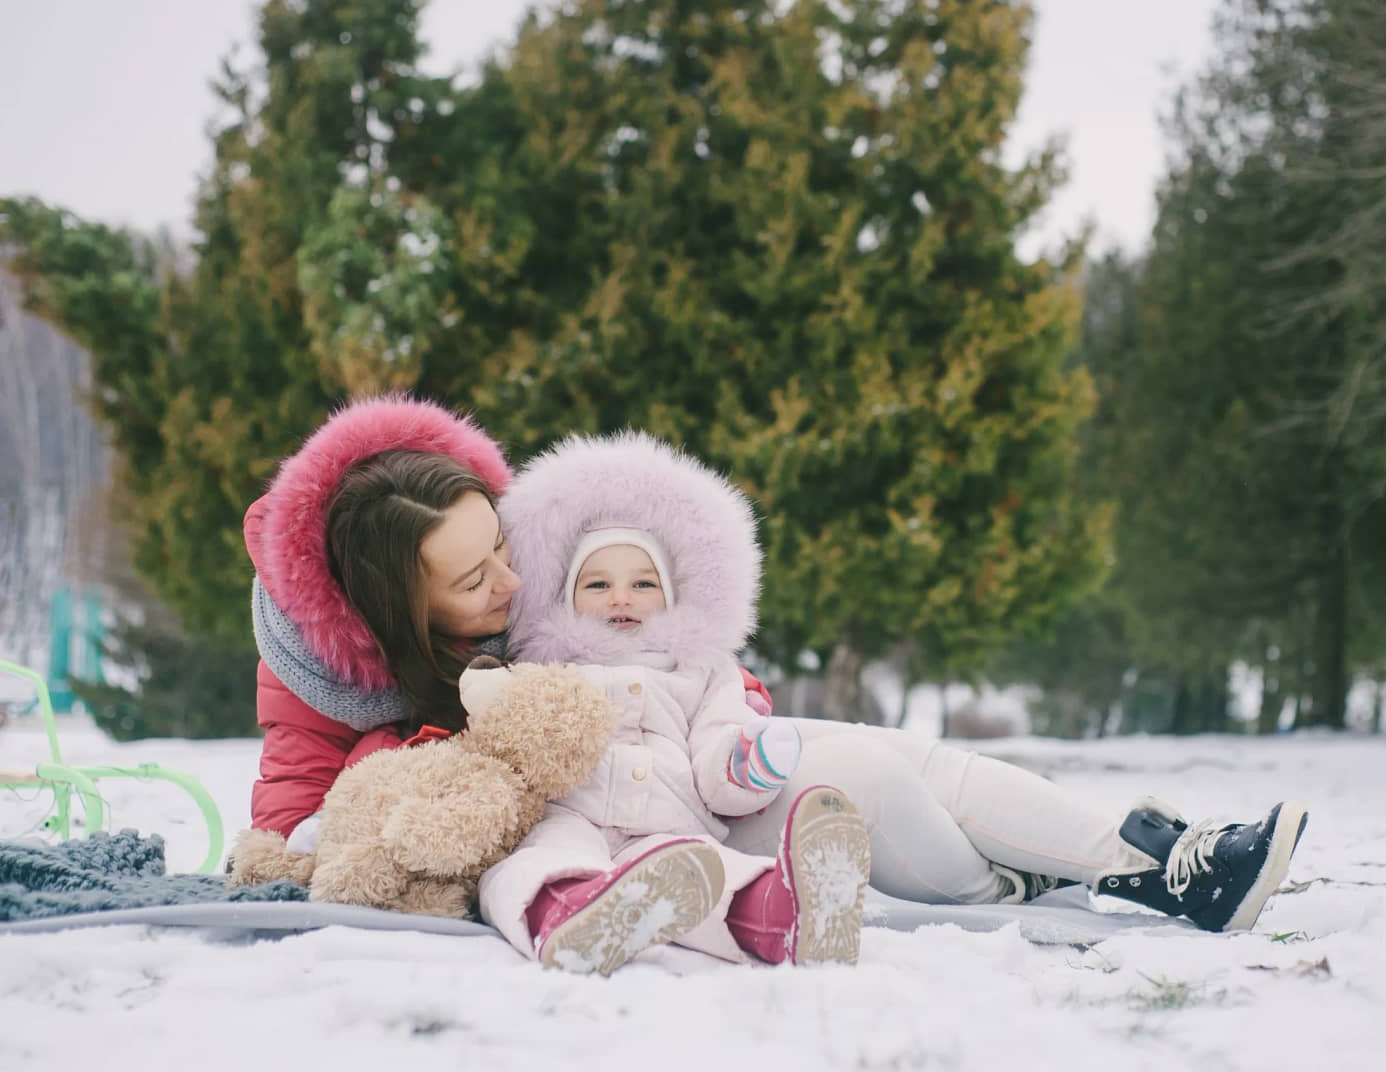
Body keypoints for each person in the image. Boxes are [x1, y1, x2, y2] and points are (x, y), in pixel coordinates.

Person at [237, 396, 1306, 947]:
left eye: (506, 549)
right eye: (473, 582)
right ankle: (1080, 875)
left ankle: (1152, 861)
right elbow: (298, 796)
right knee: (874, 786)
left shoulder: (498, 559)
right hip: (607, 826)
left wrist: (732, 702)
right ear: (398, 609)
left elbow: (650, 649)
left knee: (905, 757)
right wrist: (304, 840)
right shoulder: (322, 671)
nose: (513, 585)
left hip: (694, 773)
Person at [472, 431, 868, 973]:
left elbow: (716, 739)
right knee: (530, 864)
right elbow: (513, 737)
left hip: (669, 826)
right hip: (572, 813)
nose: (620, 597)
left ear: (671, 594)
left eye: (642, 583)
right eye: (597, 584)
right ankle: (567, 913)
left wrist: (745, 763)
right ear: (566, 596)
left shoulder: (701, 671)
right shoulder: (548, 669)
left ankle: (784, 917)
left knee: (709, 873)